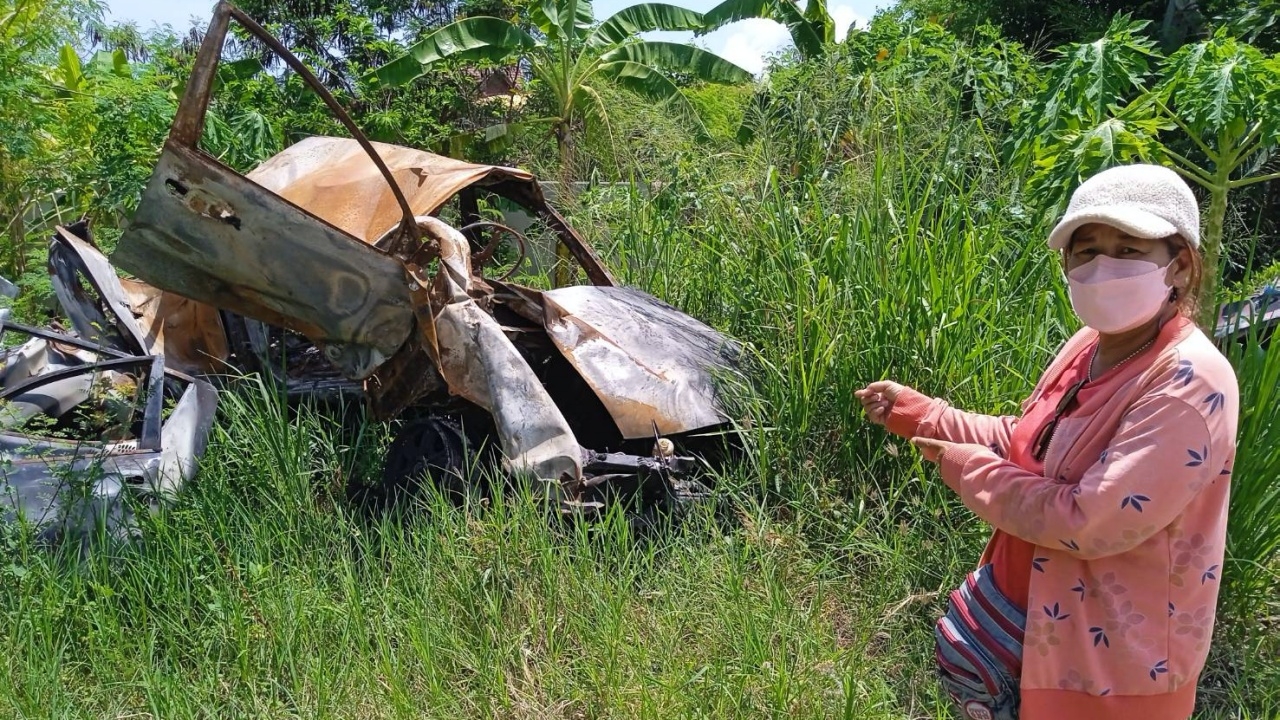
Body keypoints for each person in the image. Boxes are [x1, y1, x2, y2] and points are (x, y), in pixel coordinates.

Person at [855, 164, 1240, 720]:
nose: (1102, 266)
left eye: (1128, 249)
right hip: (1033, 626)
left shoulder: (1189, 384)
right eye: (1085, 250)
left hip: (1108, 673)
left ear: (1179, 265)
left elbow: (1089, 520)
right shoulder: (1092, 344)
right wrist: (924, 417)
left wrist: (970, 470)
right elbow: (1033, 444)